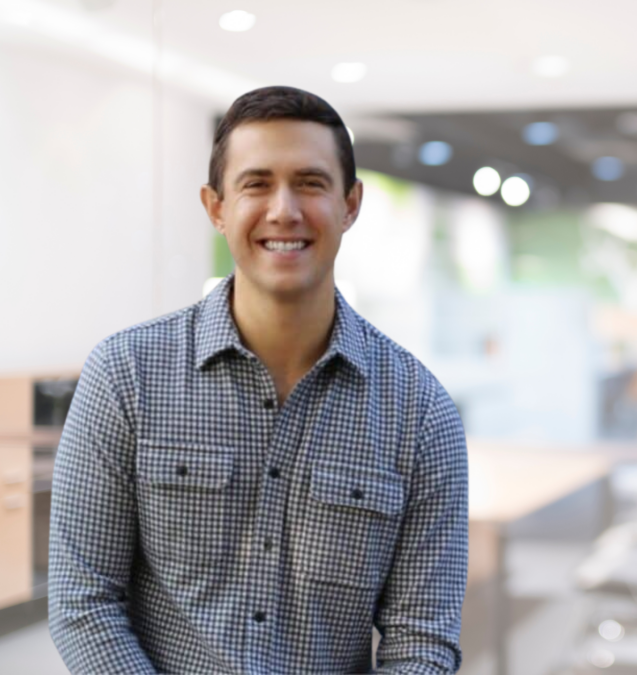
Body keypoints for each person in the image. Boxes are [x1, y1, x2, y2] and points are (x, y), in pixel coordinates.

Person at [48, 86, 468, 674]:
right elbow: (84, 602)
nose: (284, 210)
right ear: (215, 207)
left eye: (310, 183)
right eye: (256, 183)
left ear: (351, 204)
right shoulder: (128, 375)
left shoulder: (420, 411)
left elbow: (421, 641)